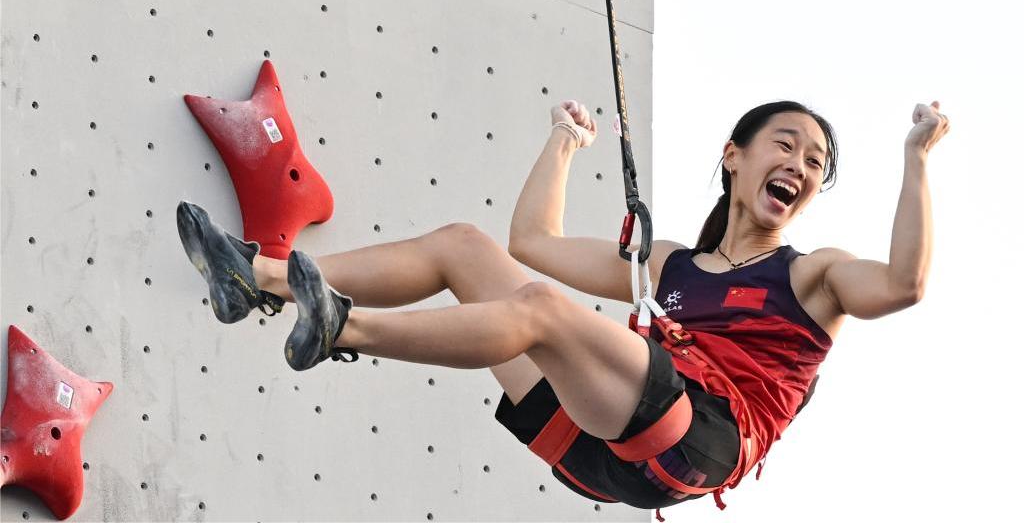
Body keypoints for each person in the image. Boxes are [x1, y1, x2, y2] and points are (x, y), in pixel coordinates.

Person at [176, 98, 948, 510]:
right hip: (595, 446)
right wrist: (564, 145)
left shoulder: (813, 275)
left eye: (815, 162)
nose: (800, 166)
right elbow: (533, 241)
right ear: (733, 156)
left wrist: (915, 160)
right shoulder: (671, 264)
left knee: (543, 312)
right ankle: (262, 279)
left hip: (695, 442)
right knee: (463, 246)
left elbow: (905, 285)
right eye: (786, 145)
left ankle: (343, 325)